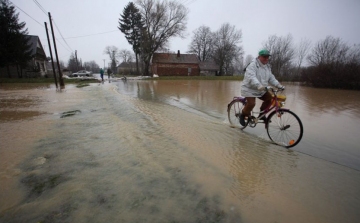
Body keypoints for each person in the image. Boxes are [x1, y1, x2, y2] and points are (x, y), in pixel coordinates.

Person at [240, 49, 285, 126]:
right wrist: (259, 85)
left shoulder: (267, 66)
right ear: (259, 57)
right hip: (249, 89)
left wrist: (278, 85)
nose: (266, 59)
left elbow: (271, 77)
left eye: (267, 57)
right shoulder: (253, 65)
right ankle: (243, 115)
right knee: (251, 104)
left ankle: (262, 115)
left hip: (261, 89)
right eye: (264, 57)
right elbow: (251, 77)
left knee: (269, 98)